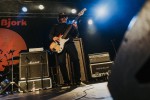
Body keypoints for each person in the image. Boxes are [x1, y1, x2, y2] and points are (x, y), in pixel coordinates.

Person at [49, 13, 82, 86]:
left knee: (76, 60)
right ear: (59, 19)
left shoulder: (69, 26)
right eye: (62, 17)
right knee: (61, 63)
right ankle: (66, 81)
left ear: (67, 18)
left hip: (69, 43)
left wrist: (76, 28)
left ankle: (78, 80)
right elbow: (50, 35)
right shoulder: (55, 26)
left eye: (65, 17)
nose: (64, 18)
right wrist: (53, 37)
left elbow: (75, 35)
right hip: (59, 45)